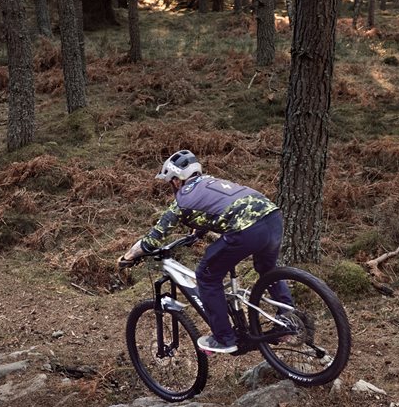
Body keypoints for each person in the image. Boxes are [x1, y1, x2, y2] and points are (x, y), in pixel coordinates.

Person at [120, 150, 293, 354]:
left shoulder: (181, 201)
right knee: (266, 268)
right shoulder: (212, 182)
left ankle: (224, 338)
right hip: (273, 218)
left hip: (246, 229)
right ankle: (288, 319)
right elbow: (217, 207)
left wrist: (128, 257)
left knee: (206, 276)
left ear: (176, 180)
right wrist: (198, 232)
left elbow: (152, 240)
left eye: (171, 182)